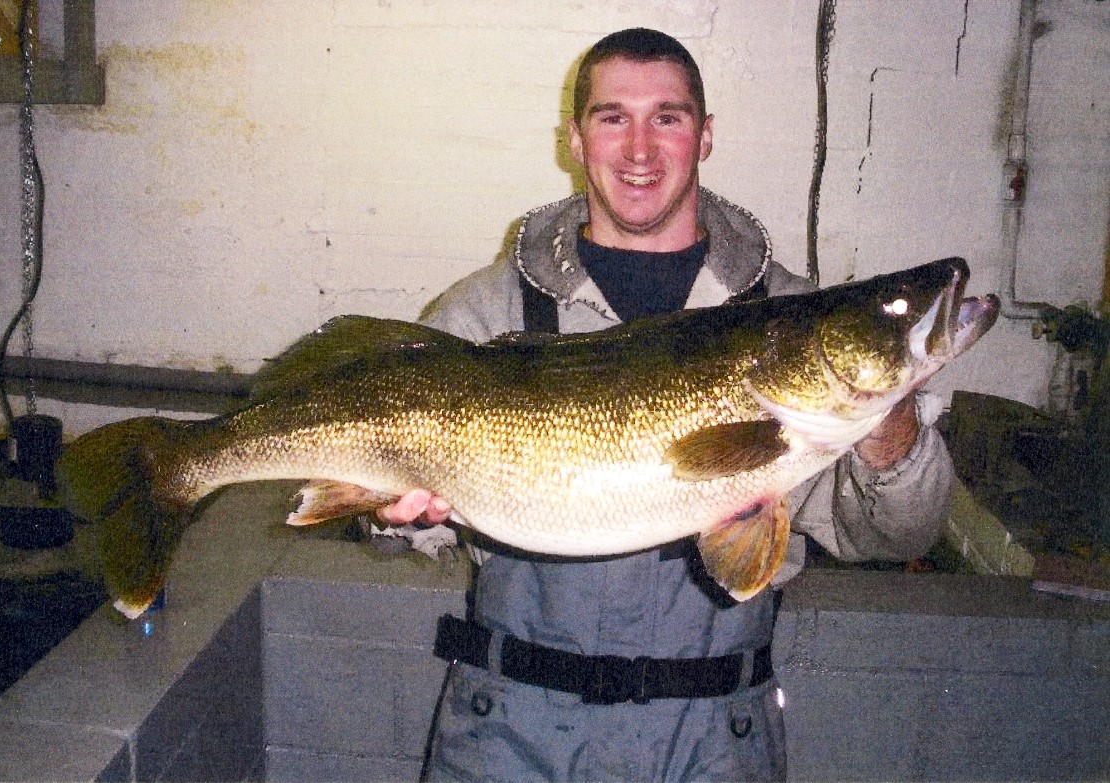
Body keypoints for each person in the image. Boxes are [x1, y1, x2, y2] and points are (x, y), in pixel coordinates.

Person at [378, 28, 954, 782]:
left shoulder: (790, 318)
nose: (639, 148)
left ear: (705, 135)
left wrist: (892, 419)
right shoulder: (484, 313)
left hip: (711, 741)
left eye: (669, 118)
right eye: (613, 117)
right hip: (510, 735)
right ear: (576, 139)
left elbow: (895, 532)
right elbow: (386, 523)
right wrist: (380, 510)